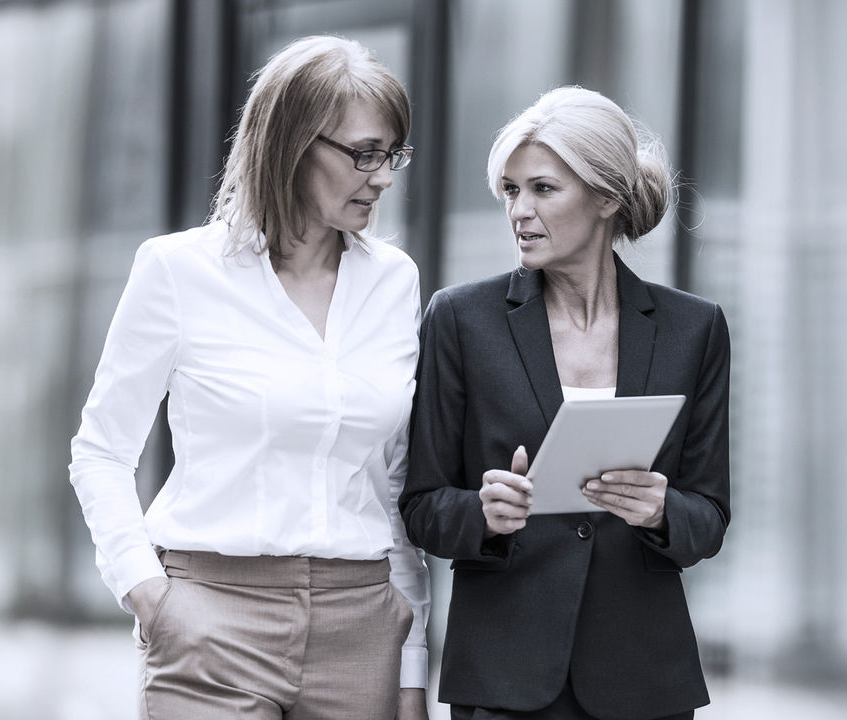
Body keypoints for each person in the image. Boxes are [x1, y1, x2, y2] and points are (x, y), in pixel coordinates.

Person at [69, 35, 430, 720]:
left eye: (393, 155)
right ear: (292, 142)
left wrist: (411, 662)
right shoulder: (178, 271)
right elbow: (101, 451)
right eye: (363, 154)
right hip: (212, 622)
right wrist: (150, 593)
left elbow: (392, 482)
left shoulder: (395, 281)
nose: (382, 176)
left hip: (362, 632)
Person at [400, 86, 731, 720]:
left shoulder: (695, 329)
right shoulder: (461, 320)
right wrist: (484, 513)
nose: (519, 211)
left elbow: (710, 514)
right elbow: (422, 505)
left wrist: (662, 511)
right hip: (503, 678)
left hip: (644, 682)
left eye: (543, 189)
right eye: (510, 191)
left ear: (606, 198)